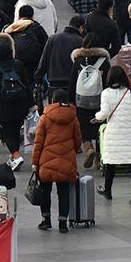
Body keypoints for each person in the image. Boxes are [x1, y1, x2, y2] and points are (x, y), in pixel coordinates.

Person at [93, 66, 131, 205]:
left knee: (110, 163)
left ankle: (108, 191)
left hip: (114, 133)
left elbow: (104, 113)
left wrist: (96, 116)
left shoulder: (106, 93)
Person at [32, 89, 80, 232]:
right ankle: (62, 223)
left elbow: (38, 142)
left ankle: (46, 220)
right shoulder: (73, 117)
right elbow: (78, 141)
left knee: (45, 190)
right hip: (66, 160)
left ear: (52, 101)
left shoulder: (45, 117)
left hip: (46, 161)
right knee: (63, 191)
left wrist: (35, 162)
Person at [0, 33, 32, 171]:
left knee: (7, 132)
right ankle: (13, 157)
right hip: (21, 103)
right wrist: (31, 102)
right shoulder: (18, 64)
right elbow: (26, 83)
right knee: (16, 129)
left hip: (4, 105)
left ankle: (16, 155)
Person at [69, 33, 111, 167]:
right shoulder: (104, 61)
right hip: (100, 100)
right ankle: (99, 157)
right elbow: (109, 82)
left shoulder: (78, 61)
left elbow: (72, 82)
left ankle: (88, 148)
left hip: (81, 101)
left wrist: (71, 101)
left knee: (83, 125)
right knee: (100, 127)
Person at [36, 15, 84, 97]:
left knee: (54, 108)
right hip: (72, 84)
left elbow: (44, 60)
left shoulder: (53, 38)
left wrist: (38, 78)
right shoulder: (80, 41)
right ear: (81, 27)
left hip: (53, 83)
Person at [4, 4, 48, 79]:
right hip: (33, 65)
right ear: (32, 16)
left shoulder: (12, 28)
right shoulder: (36, 27)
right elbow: (46, 45)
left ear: (19, 16)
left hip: (15, 64)